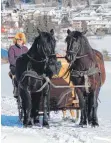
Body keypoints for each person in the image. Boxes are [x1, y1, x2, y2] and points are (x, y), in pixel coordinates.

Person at [8, 32, 28, 98]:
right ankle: (16, 88)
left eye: (21, 39)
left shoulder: (26, 49)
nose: (20, 41)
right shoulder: (12, 48)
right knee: (17, 73)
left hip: (25, 67)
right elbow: (11, 60)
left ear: (23, 40)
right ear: (15, 40)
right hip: (15, 67)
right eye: (18, 39)